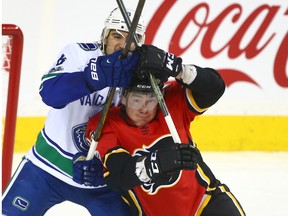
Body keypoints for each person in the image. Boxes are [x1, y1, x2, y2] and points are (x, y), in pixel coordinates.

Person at [2, 7, 145, 216]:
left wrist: (108, 166)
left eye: (131, 38)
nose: (123, 45)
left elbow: (142, 130)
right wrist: (92, 78)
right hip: (46, 166)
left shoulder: (141, 73)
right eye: (116, 35)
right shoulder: (79, 54)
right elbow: (50, 94)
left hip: (102, 181)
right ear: (104, 36)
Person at [86, 45, 246, 216]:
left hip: (206, 203)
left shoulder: (171, 102)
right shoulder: (107, 123)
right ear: (123, 97)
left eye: (151, 100)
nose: (144, 109)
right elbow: (118, 176)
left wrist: (177, 68)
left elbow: (215, 88)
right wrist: (158, 163)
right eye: (136, 100)